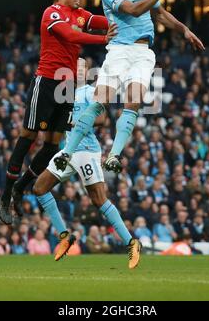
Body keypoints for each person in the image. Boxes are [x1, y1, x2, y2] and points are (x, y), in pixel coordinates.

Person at [54, 0, 204, 174]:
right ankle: (67, 151)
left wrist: (184, 29)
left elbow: (158, 13)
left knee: (133, 102)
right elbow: (134, 10)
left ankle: (113, 155)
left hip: (144, 52)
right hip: (119, 50)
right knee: (100, 102)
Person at [0, 0, 116, 224]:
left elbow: (104, 20)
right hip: (47, 81)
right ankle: (6, 195)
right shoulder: (52, 13)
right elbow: (71, 36)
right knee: (28, 137)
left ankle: (21, 187)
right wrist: (104, 39)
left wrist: (130, 18)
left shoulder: (82, 15)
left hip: (68, 85)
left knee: (52, 145)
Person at [33, 63, 142, 269]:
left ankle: (132, 242)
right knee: (39, 188)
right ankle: (65, 236)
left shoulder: (92, 91)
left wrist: (71, 122)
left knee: (99, 200)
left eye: (83, 67)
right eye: (76, 66)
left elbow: (100, 119)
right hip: (68, 152)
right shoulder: (65, 92)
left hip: (86, 151)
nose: (79, 69)